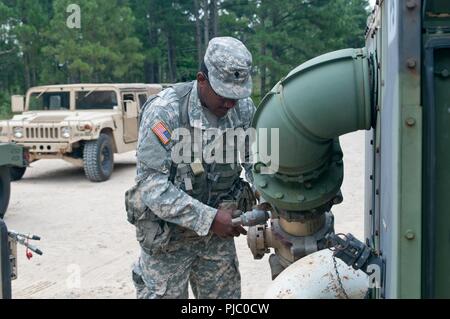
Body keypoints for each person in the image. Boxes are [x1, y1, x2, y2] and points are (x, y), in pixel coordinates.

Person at [125, 36, 257, 299]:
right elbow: (152, 186)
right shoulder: (165, 111)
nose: (231, 103)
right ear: (201, 79)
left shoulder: (243, 109)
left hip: (217, 242)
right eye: (224, 94)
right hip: (167, 242)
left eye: (237, 94)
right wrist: (209, 219)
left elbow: (257, 163)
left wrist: (270, 200)